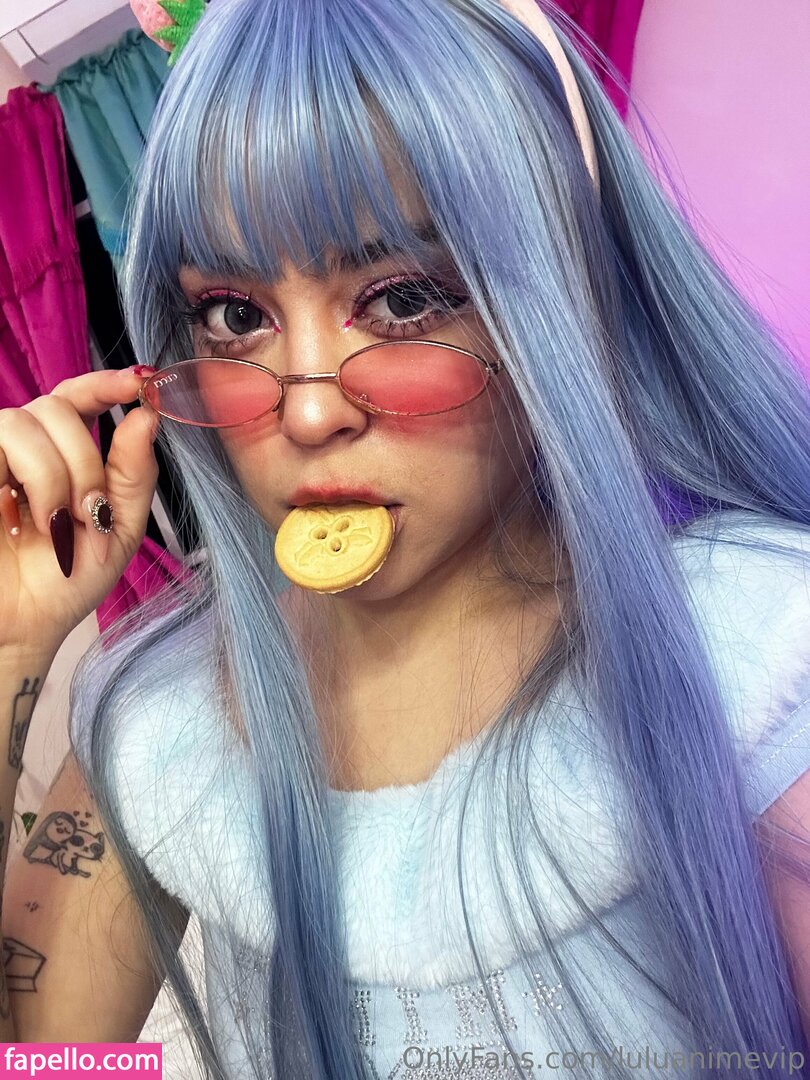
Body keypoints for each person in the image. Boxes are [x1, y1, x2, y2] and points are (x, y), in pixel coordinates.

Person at [0, 0, 809, 1076]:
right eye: (235, 316)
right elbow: (46, 1061)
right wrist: (12, 648)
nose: (307, 410)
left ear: (555, 302)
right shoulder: (159, 711)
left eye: (404, 299)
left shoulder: (759, 656)